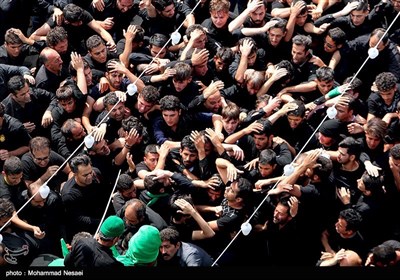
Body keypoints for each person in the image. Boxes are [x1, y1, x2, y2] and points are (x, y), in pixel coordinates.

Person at [61, 153, 112, 242]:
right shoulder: (69, 194)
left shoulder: (96, 174)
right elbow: (78, 218)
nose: (89, 177)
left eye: (90, 172)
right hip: (88, 228)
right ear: (75, 174)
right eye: (85, 175)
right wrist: (102, 222)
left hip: (103, 215)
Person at [0, 102, 32, 171]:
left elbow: (29, 146)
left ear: (1, 117)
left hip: (14, 162)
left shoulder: (16, 127)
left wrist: (10, 153)